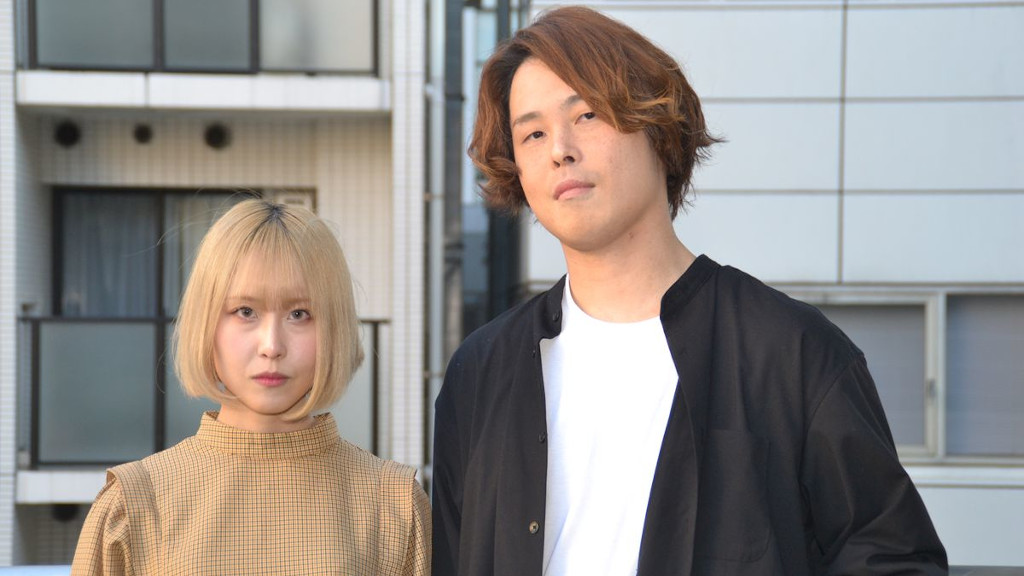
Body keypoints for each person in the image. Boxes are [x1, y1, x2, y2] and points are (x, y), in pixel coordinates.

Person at [431, 6, 946, 576]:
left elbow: (892, 559)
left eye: (587, 115)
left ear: (656, 125)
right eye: (532, 134)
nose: (560, 149)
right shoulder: (480, 373)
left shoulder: (791, 353)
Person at [72, 199, 430, 575]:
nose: (271, 346)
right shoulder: (134, 504)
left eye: (299, 314)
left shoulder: (394, 504)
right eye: (245, 311)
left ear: (335, 327)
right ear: (206, 323)